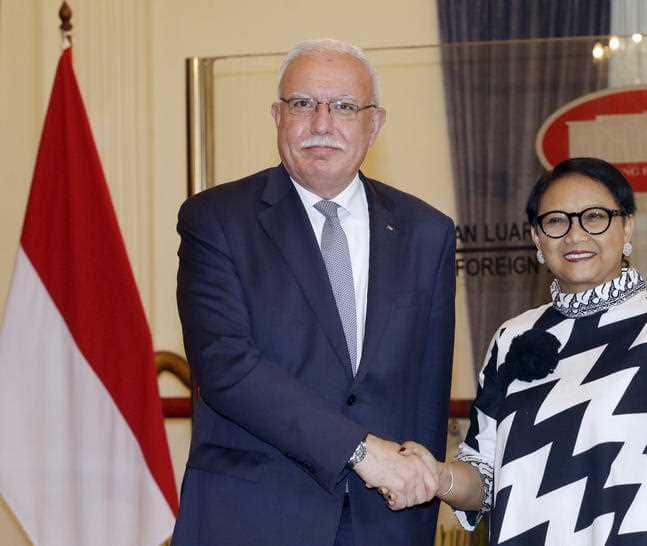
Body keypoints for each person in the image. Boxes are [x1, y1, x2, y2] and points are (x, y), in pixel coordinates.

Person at [171, 39, 455, 546]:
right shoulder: (215, 220)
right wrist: (362, 451)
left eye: (344, 106)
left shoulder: (427, 232)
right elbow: (226, 367)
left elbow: (426, 395)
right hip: (252, 520)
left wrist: (417, 510)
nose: (322, 123)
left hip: (384, 523)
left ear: (375, 124)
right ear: (278, 116)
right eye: (303, 104)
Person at [399, 157, 647, 545]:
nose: (575, 235)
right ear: (537, 238)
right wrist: (436, 476)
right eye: (556, 221)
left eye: (595, 217)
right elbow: (485, 477)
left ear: (627, 227)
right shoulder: (511, 338)